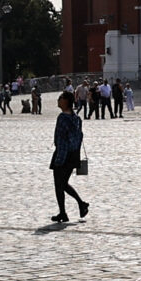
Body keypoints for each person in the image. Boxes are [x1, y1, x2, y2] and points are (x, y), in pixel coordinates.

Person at [51, 91, 91, 224]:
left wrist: (59, 159)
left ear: (66, 101)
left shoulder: (62, 118)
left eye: (60, 98)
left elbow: (61, 140)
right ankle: (77, 206)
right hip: (73, 155)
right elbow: (79, 138)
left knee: (59, 184)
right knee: (63, 183)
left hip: (63, 154)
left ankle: (67, 211)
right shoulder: (76, 118)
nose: (58, 100)